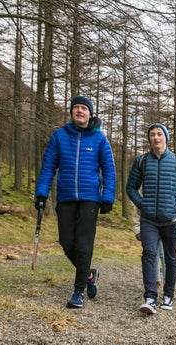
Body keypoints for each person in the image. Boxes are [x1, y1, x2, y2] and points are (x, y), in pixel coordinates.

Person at [34, 95, 115, 308]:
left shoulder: (100, 140)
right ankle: (89, 274)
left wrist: (107, 197)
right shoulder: (59, 137)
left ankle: (78, 292)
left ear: (90, 113)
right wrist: (41, 193)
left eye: (84, 108)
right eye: (76, 108)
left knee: (84, 245)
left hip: (90, 198)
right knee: (66, 242)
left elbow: (109, 171)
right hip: (66, 197)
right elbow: (48, 168)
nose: (79, 111)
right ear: (71, 112)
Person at [126, 122, 176, 315]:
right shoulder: (141, 161)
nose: (156, 138)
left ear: (166, 137)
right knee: (149, 255)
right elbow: (130, 187)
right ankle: (150, 298)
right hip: (148, 220)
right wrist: (142, 204)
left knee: (170, 259)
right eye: (152, 135)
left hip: (171, 221)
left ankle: (168, 295)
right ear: (149, 139)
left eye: (159, 134)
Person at [132, 204, 176, 287]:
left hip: (168, 225)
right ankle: (154, 281)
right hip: (150, 226)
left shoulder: (172, 192)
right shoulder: (144, 191)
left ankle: (167, 285)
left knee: (166, 256)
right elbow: (137, 208)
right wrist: (137, 229)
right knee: (151, 254)